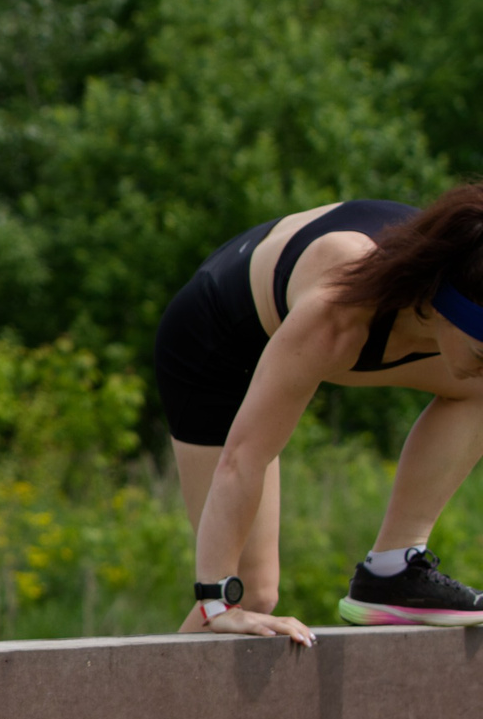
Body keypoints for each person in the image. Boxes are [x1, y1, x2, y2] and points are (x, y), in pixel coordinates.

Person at [156, 188, 483, 644]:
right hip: (217, 341)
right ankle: (141, 711)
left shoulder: (459, 282)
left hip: (322, 301)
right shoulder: (341, 311)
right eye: (481, 350)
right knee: (250, 595)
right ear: (445, 309)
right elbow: (243, 457)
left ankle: (392, 570)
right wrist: (216, 602)